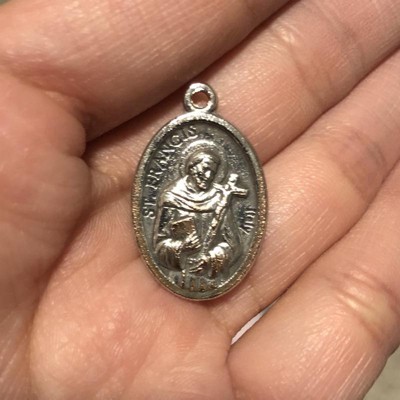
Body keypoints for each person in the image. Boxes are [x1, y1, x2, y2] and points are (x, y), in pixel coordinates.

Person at [0, 0, 399, 399]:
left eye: (211, 169)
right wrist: (178, 247)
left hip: (208, 267)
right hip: (179, 266)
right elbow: (161, 240)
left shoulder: (222, 196)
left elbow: (233, 240)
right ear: (189, 168)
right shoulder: (172, 196)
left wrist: (217, 255)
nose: (206, 175)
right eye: (200, 168)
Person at [155, 146, 242, 279]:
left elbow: (233, 246)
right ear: (192, 167)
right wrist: (181, 247)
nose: (209, 176)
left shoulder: (219, 199)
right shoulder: (171, 197)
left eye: (213, 172)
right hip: (180, 275)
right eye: (205, 168)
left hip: (210, 277)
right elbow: (159, 246)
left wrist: (211, 258)